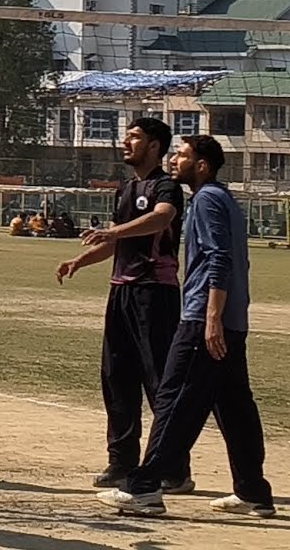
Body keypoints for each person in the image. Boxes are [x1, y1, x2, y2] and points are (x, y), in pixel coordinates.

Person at [98, 136, 276, 518]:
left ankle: (145, 486)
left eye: (182, 156)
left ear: (202, 165)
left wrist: (211, 317)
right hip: (232, 319)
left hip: (204, 318)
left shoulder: (208, 199)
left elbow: (219, 259)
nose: (174, 160)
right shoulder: (222, 199)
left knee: (175, 398)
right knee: (234, 406)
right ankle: (253, 491)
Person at [56, 117, 192, 492]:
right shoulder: (127, 187)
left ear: (154, 145)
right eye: (127, 136)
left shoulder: (166, 186)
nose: (125, 142)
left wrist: (113, 230)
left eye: (134, 137)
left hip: (155, 291)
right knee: (117, 377)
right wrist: (80, 260)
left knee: (159, 380)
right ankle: (122, 462)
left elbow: (161, 219)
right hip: (122, 291)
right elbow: (117, 242)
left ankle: (174, 469)